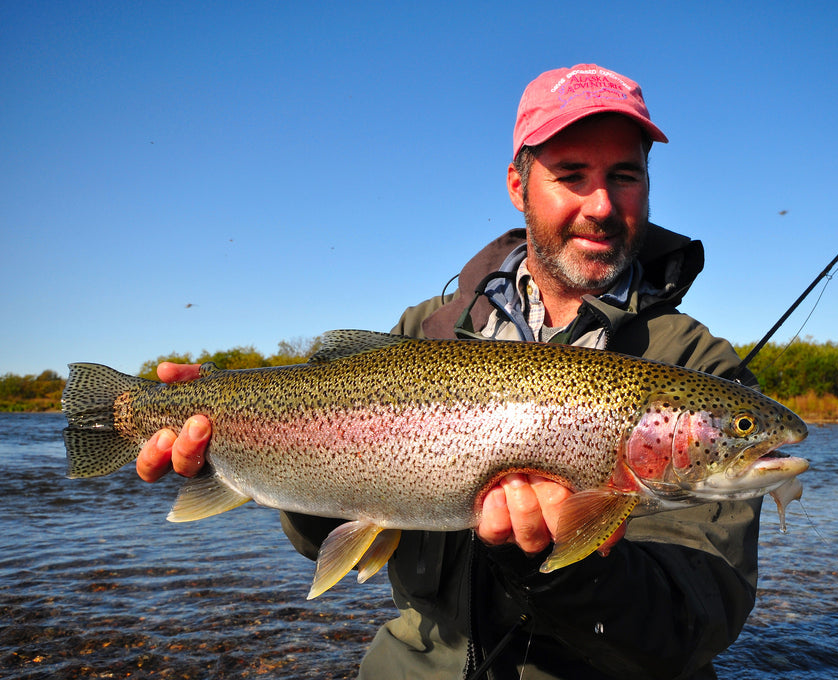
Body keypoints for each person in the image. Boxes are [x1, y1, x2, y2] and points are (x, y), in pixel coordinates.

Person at [137, 64, 762, 679]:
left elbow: (696, 618)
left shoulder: (697, 366)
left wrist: (562, 562)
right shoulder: (427, 330)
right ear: (518, 187)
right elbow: (314, 532)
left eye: (624, 175)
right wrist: (234, 442)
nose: (600, 204)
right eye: (571, 175)